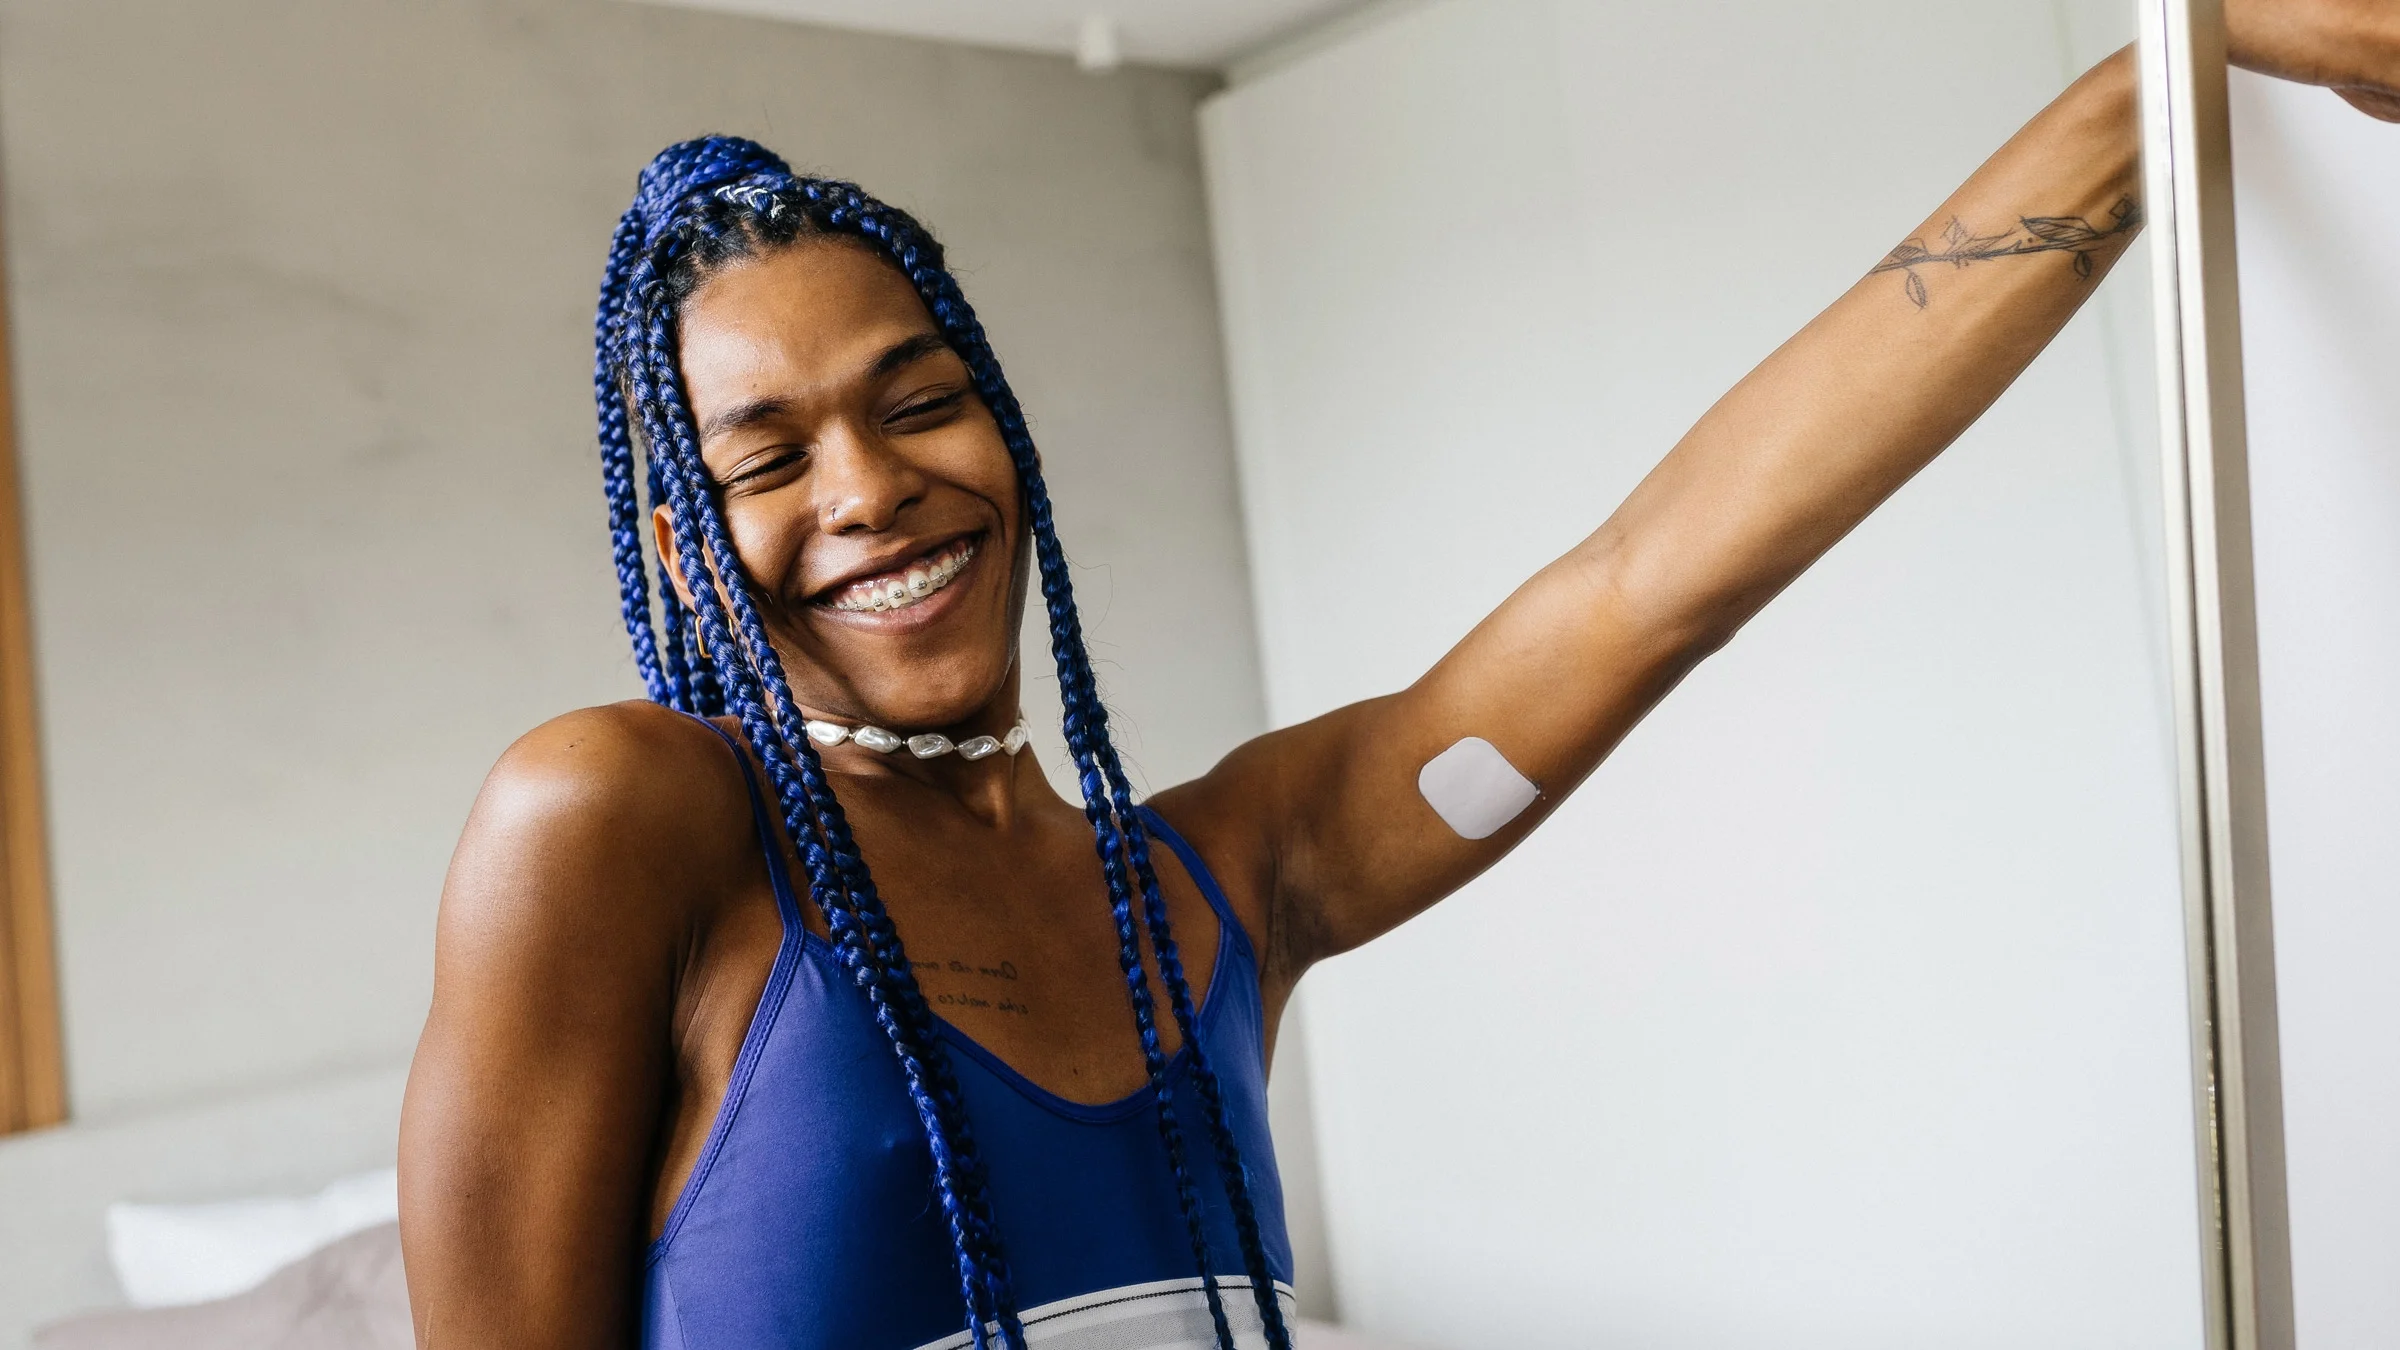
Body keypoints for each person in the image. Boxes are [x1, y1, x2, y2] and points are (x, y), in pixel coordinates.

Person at [397, 9, 2399, 1347]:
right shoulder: (620, 819)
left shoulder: (1223, 883)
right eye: (765, 460)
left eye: (923, 402)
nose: (868, 488)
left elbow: (1659, 579)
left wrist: (2157, 74)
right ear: (683, 546)